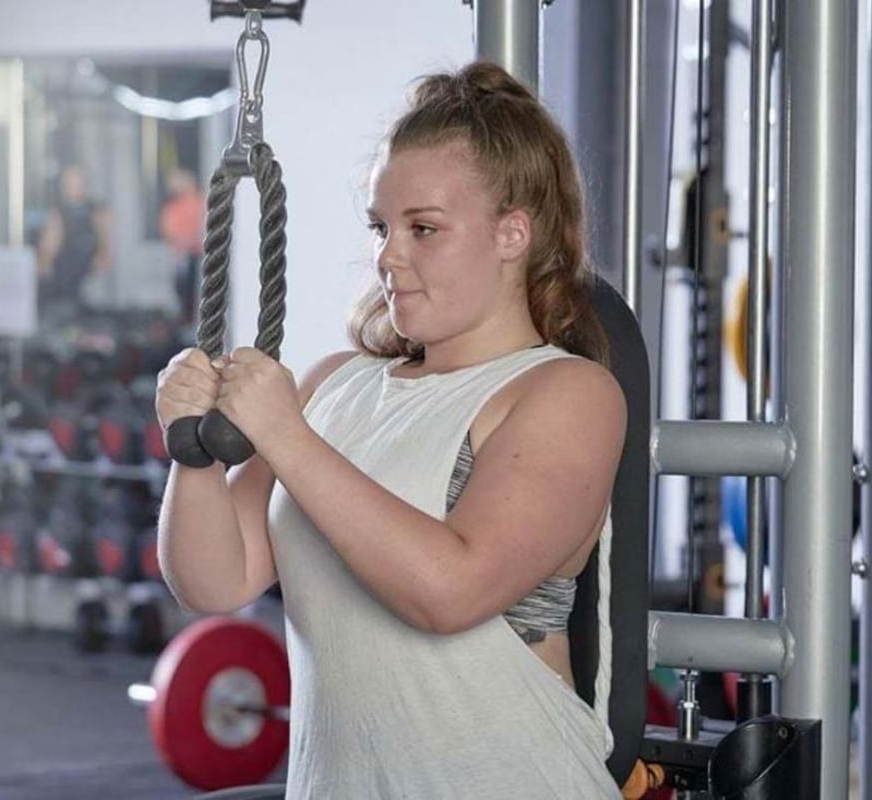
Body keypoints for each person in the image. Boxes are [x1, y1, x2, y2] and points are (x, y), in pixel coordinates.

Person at [156, 61, 626, 798]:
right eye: (380, 226)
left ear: (512, 234)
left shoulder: (566, 393)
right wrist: (191, 456)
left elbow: (450, 592)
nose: (387, 256)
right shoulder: (334, 386)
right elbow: (215, 582)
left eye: (423, 229)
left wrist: (288, 437)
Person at [35, 164, 112, 316]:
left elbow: (105, 244)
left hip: (87, 274)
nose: (74, 189)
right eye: (69, 184)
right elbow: (48, 247)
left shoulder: (97, 211)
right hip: (63, 275)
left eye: (78, 183)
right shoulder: (58, 213)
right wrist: (44, 263)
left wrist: (103, 255)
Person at [159, 168, 206, 325]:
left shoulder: (202, 201)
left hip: (202, 253)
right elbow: (170, 233)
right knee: (183, 289)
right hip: (184, 255)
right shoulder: (172, 208)